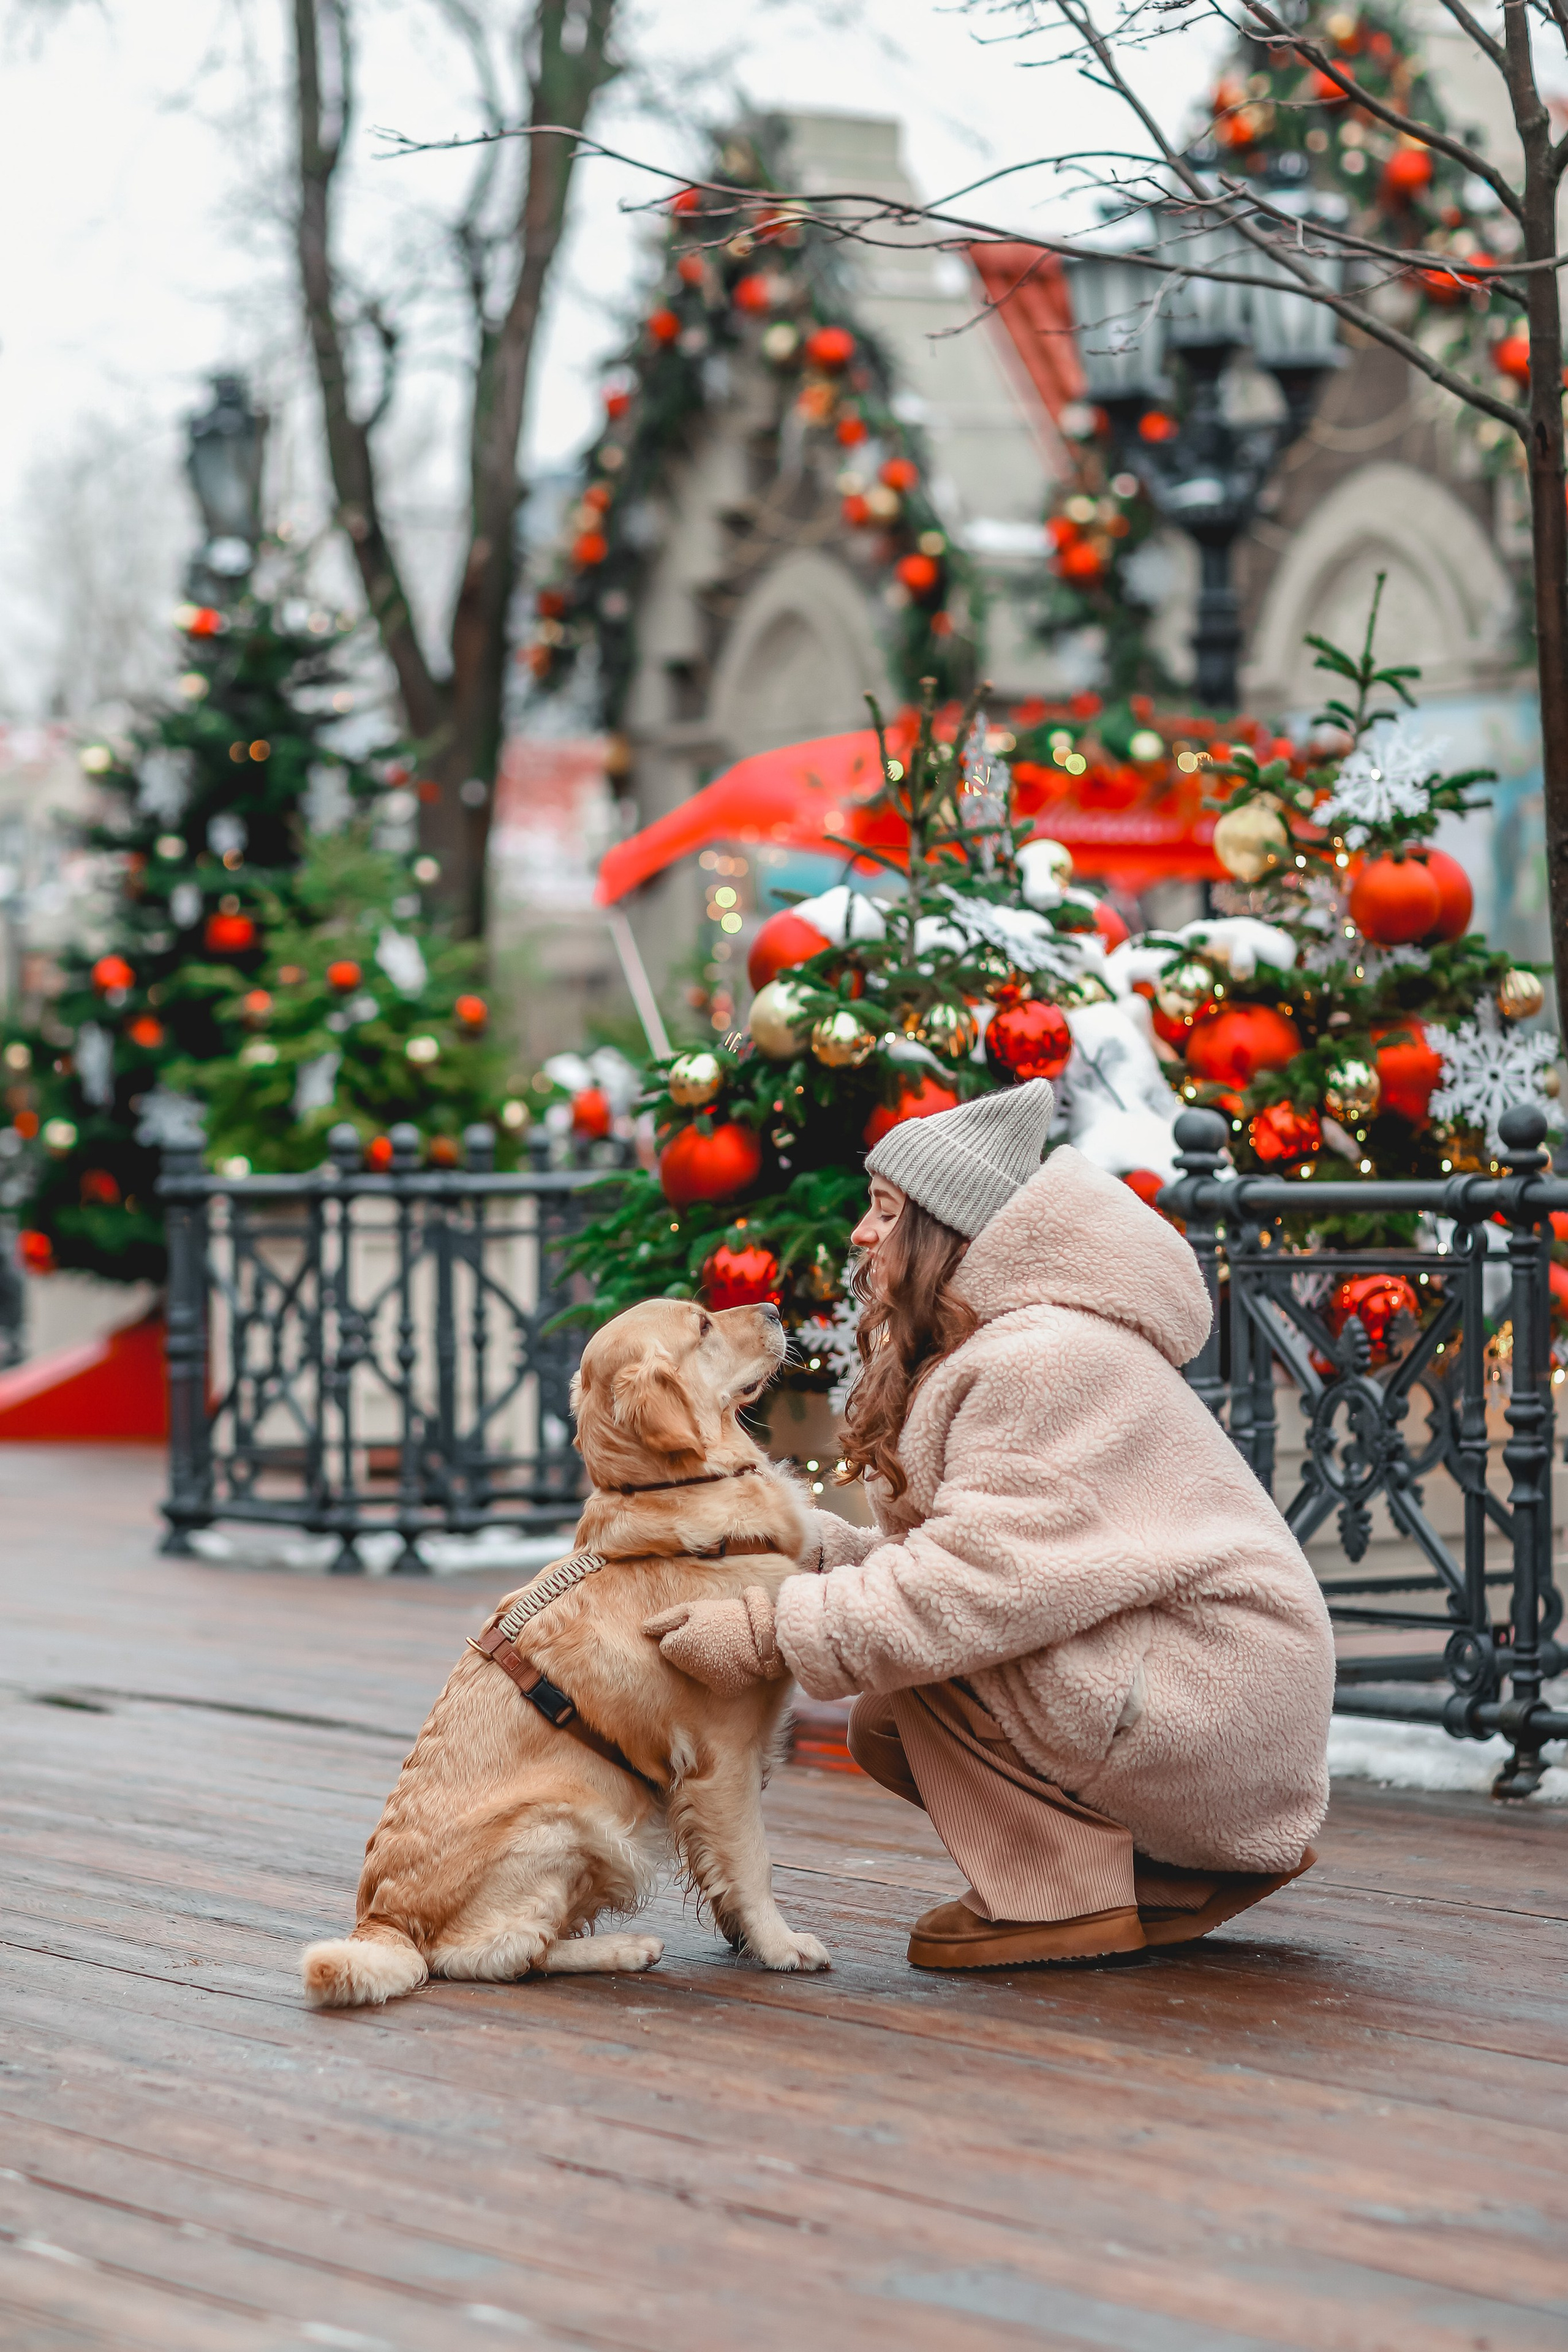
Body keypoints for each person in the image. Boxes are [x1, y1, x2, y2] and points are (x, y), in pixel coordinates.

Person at [649, 1079, 1336, 1969]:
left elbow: (970, 1588)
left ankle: (1062, 1900)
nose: (862, 1235)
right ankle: (1151, 1879)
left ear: (944, 1232)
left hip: (1213, 1701)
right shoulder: (1002, 1345)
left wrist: (762, 1627)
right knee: (888, 1715)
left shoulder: (1041, 1361)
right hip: (1188, 1684)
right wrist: (797, 1546)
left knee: (922, 1668)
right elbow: (980, 1560)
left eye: (886, 1213)